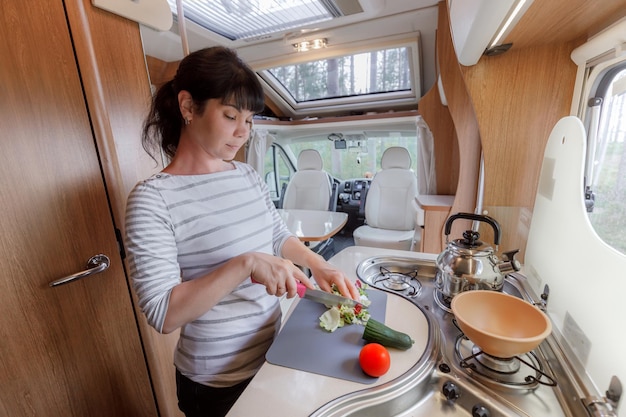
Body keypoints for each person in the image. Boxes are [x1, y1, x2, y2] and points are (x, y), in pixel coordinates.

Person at [124, 46, 360, 417]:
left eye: (249, 120)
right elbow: (163, 313)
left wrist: (320, 265)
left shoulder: (247, 175)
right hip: (216, 381)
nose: (242, 133)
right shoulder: (153, 199)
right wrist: (246, 264)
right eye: (231, 115)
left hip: (273, 351)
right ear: (188, 107)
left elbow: (277, 234)